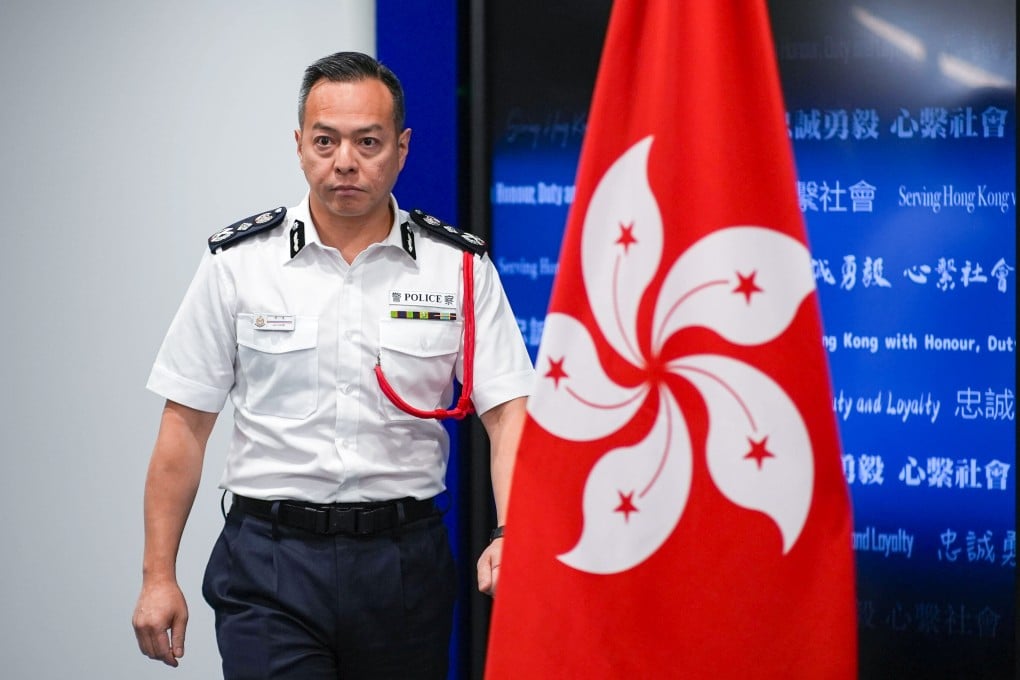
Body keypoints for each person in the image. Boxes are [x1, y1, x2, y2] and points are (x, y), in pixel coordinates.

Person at [131, 51, 534, 679]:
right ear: (299, 145)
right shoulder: (239, 264)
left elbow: (510, 414)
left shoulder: (457, 266)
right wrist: (158, 576)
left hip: (402, 563)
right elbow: (185, 425)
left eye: (367, 142)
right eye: (325, 140)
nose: (344, 161)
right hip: (269, 562)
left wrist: (514, 535)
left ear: (401, 148)